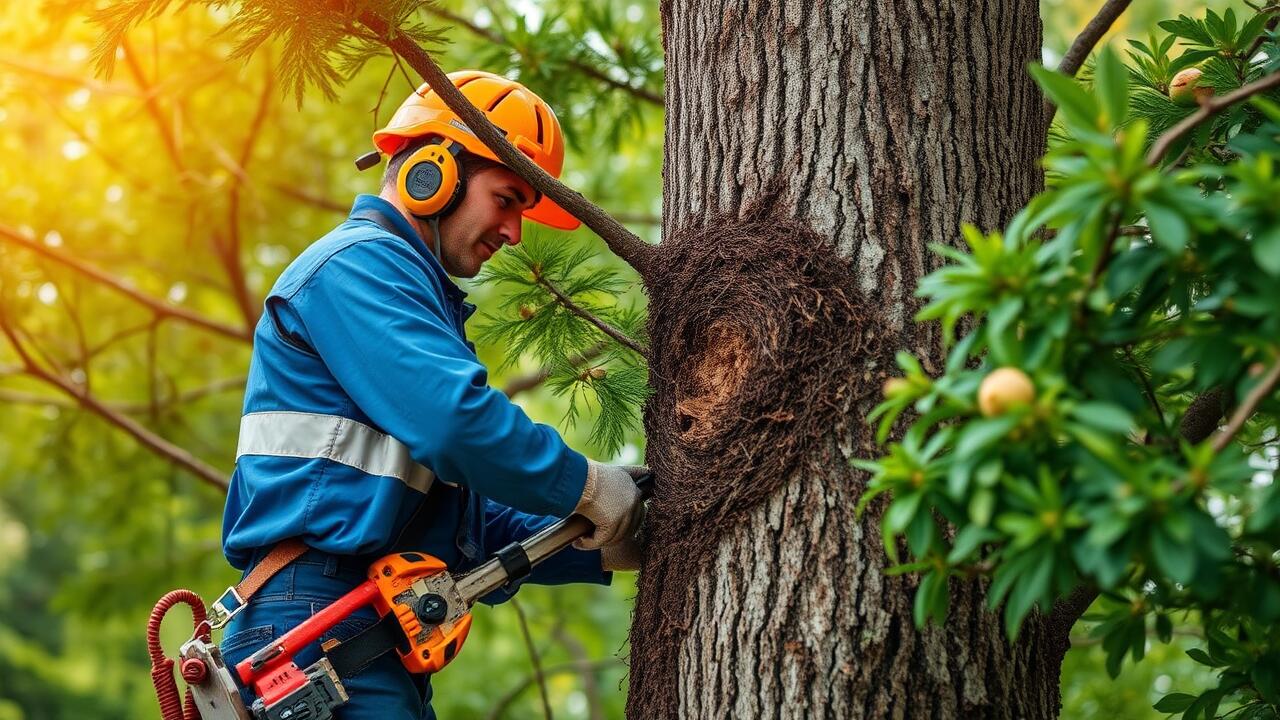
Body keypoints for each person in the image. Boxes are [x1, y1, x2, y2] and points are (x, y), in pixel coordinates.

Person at [217, 69, 646, 720]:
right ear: (435, 171)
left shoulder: (411, 299)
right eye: (507, 199)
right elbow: (455, 423)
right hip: (318, 623)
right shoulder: (358, 267)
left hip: (357, 629)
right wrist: (586, 484)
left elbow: (473, 531)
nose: (513, 233)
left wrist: (602, 537)